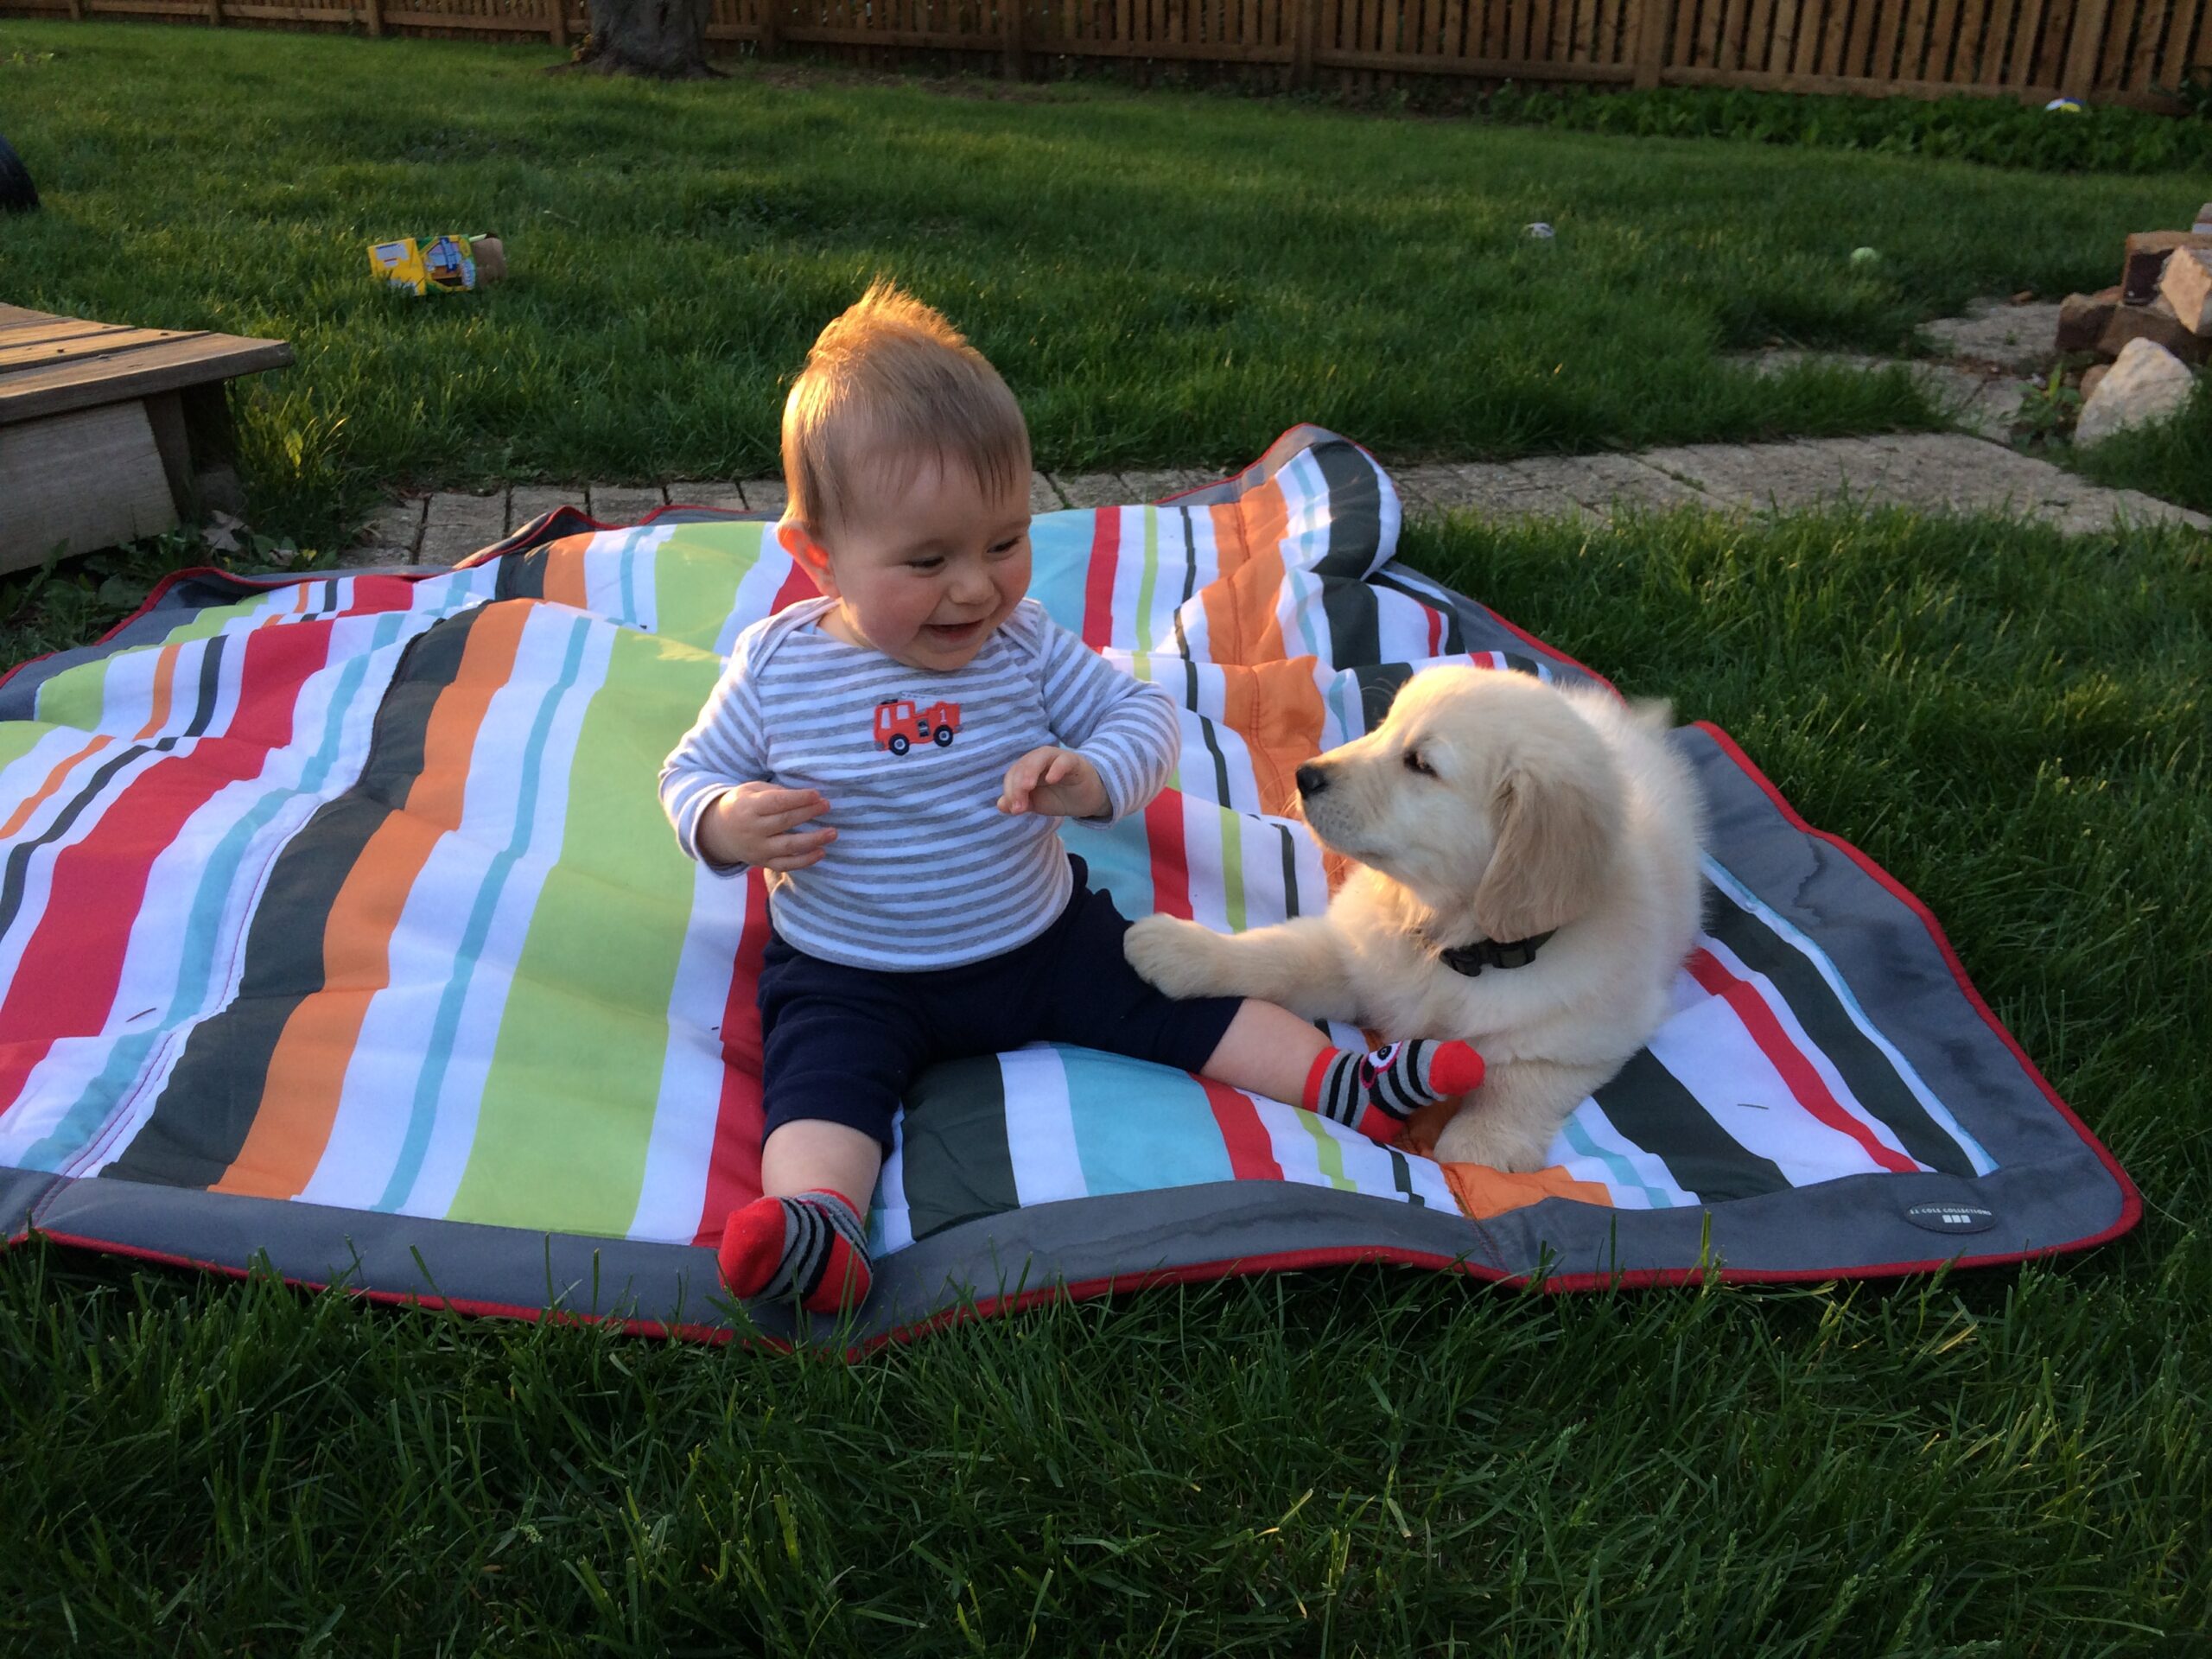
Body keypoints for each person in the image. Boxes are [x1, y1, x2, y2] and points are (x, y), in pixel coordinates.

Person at [659, 280, 1484, 1313]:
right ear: (817, 553)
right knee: (818, 1085)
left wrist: (1093, 778)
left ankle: (1349, 1088)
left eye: (1002, 542)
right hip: (852, 967)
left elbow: (1141, 718)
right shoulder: (777, 670)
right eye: (927, 560)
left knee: (1178, 993)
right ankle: (820, 1224)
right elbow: (686, 775)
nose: (975, 586)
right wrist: (726, 823)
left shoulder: (1024, 643)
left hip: (1038, 940)